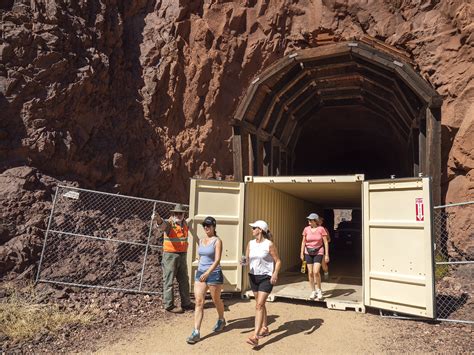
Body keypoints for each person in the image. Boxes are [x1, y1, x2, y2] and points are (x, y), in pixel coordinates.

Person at [186, 216, 226, 344]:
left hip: (213, 274)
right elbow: (200, 253)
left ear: (214, 227)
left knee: (216, 300)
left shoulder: (217, 241)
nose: (206, 227)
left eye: (208, 225)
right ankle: (196, 332)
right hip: (201, 274)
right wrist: (199, 268)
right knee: (199, 302)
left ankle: (221, 319)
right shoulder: (202, 240)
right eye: (204, 225)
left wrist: (208, 272)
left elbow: (217, 260)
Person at [242, 220, 281, 348]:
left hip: (266, 278)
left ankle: (255, 336)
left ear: (260, 230)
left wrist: (275, 273)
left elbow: (278, 261)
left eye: (254, 228)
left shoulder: (269, 244)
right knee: (260, 303)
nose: (252, 229)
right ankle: (265, 327)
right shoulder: (250, 243)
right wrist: (243, 261)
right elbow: (246, 260)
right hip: (253, 277)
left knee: (259, 305)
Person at [153, 203, 194, 313]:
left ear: (183, 214)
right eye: (176, 213)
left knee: (184, 280)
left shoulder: (184, 223)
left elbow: (191, 220)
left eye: (180, 213)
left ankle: (186, 303)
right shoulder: (170, 223)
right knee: (169, 280)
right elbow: (162, 225)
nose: (178, 215)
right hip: (170, 256)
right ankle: (169, 305)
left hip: (182, 255)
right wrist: (158, 219)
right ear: (173, 214)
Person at [300, 213, 329, 300]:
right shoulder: (306, 229)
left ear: (315, 221)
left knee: (316, 272)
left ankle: (319, 290)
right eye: (308, 219)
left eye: (310, 220)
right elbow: (303, 242)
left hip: (318, 251)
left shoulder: (321, 229)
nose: (308, 221)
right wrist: (301, 253)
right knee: (310, 272)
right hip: (308, 252)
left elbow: (325, 242)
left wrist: (327, 254)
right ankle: (313, 291)